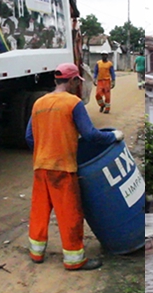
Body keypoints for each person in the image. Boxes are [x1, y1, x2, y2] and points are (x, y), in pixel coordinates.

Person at [25, 62, 124, 271]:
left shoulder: (38, 103)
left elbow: (29, 138)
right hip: (62, 168)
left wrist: (45, 147)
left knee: (39, 210)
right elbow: (90, 135)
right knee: (69, 212)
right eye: (75, 82)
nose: (75, 85)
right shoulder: (73, 103)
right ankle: (74, 259)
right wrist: (113, 136)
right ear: (71, 81)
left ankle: (36, 252)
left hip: (40, 166)